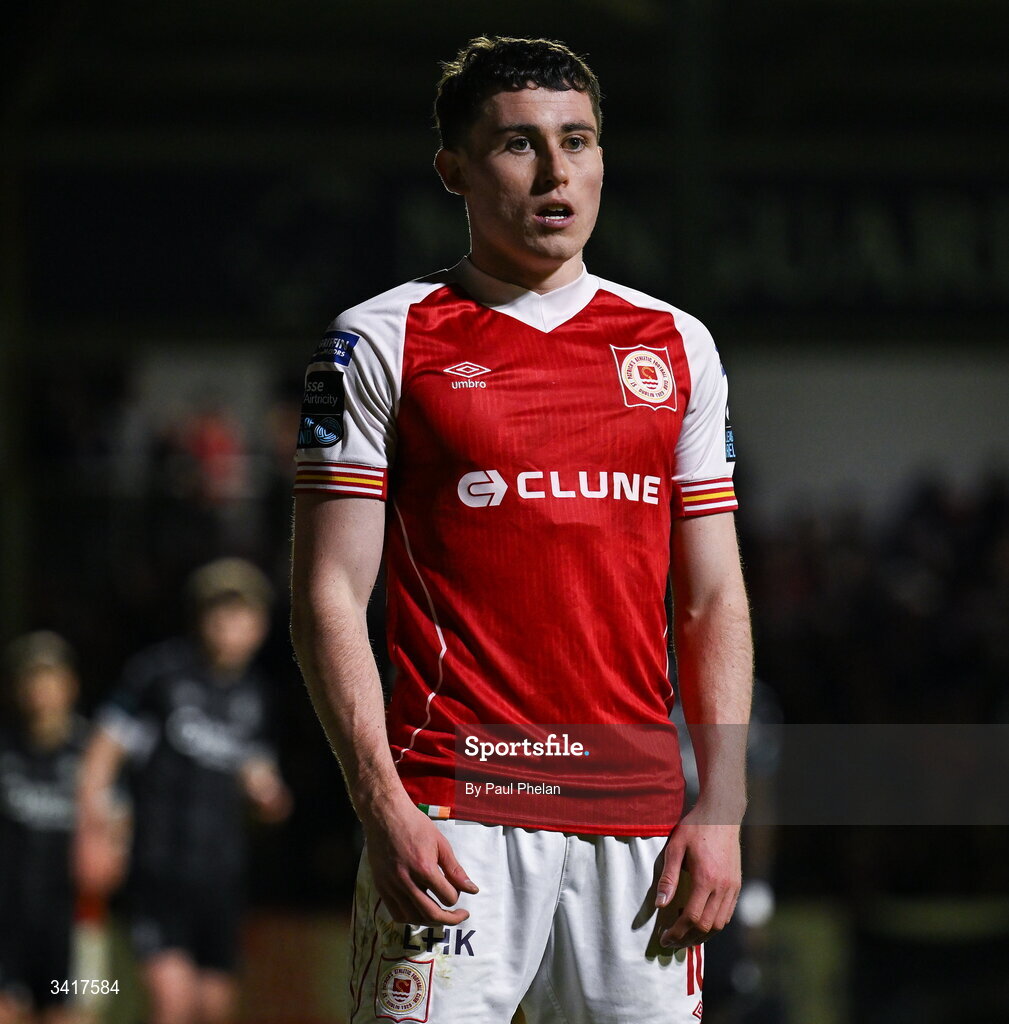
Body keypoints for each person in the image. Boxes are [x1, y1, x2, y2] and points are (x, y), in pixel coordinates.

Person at [291, 35, 752, 1024]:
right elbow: (328, 592)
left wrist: (721, 805)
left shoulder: (676, 344)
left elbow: (713, 596)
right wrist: (380, 802)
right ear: (453, 169)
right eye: (517, 144)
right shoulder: (378, 339)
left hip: (638, 828)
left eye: (575, 141)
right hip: (453, 817)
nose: (554, 172)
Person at [77, 558, 291, 1024]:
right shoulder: (159, 674)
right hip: (160, 866)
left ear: (260, 625)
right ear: (198, 614)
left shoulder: (256, 695)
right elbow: (101, 756)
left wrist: (269, 797)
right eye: (219, 609)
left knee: (214, 1007)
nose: (229, 622)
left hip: (221, 877)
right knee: (173, 1003)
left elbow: (257, 772)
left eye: (243, 612)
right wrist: (95, 830)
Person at [0, 633, 87, 1024]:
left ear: (70, 685)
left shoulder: (92, 754)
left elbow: (116, 832)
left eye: (49, 677)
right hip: (9, 918)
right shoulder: (5, 749)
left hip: (74, 923)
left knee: (75, 1012)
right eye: (31, 677)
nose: (40, 689)